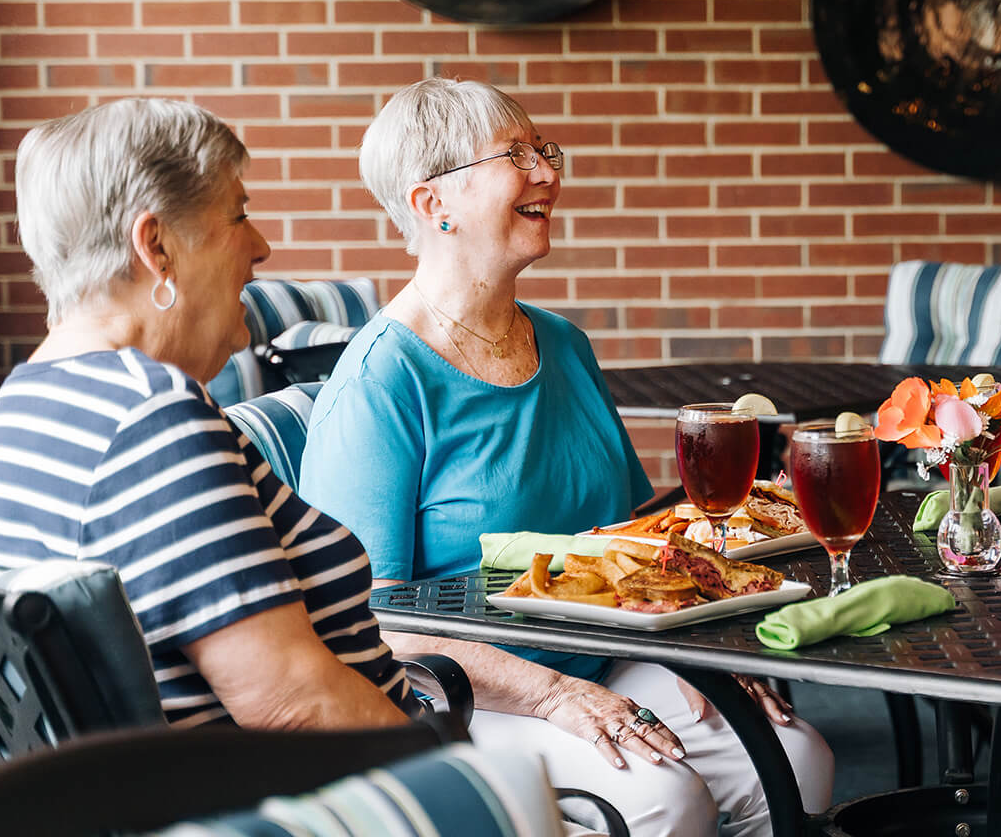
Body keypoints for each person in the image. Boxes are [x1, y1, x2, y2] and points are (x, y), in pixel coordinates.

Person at [296, 78, 834, 837]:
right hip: (466, 696)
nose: (549, 172)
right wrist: (552, 695)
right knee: (663, 800)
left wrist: (711, 640)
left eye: (544, 150)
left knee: (797, 757)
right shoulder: (384, 379)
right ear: (430, 205)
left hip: (604, 654)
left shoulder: (565, 344)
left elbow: (632, 537)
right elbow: (367, 619)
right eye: (516, 154)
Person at [0, 98, 418, 732]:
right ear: (156, 246)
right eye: (239, 215)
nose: (262, 246)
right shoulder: (149, 414)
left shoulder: (26, 398)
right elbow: (294, 705)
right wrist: (474, 783)